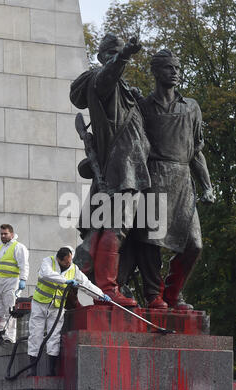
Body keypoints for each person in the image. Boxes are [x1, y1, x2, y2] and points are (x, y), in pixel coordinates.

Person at [70, 33, 151, 308]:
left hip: (131, 168)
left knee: (102, 228)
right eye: (114, 54)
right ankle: (107, 288)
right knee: (116, 228)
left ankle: (73, 287)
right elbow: (108, 75)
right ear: (105, 57)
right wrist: (125, 53)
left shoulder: (125, 90)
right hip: (122, 168)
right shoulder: (102, 82)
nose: (120, 60)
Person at [133, 49, 215, 310]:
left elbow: (196, 152)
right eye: (169, 68)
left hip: (182, 179)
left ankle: (173, 292)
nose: (175, 72)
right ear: (156, 72)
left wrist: (208, 186)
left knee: (194, 244)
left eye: (178, 68)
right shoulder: (143, 107)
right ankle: (153, 295)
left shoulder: (191, 106)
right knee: (151, 241)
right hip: (154, 176)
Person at [27, 246, 111, 376]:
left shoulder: (74, 269)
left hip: (57, 307)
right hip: (40, 304)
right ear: (59, 259)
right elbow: (46, 274)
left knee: (54, 337)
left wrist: (100, 295)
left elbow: (86, 284)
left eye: (70, 260)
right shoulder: (48, 262)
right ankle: (33, 370)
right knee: (35, 335)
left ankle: (51, 371)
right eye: (66, 262)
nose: (69, 264)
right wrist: (66, 281)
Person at [0, 224, 29, 345]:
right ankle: (0, 337)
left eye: (5, 233)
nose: (3, 236)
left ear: (12, 234)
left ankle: (10, 338)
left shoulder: (18, 247)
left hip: (12, 282)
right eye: (1, 234)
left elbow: (24, 264)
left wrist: (23, 279)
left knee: (10, 310)